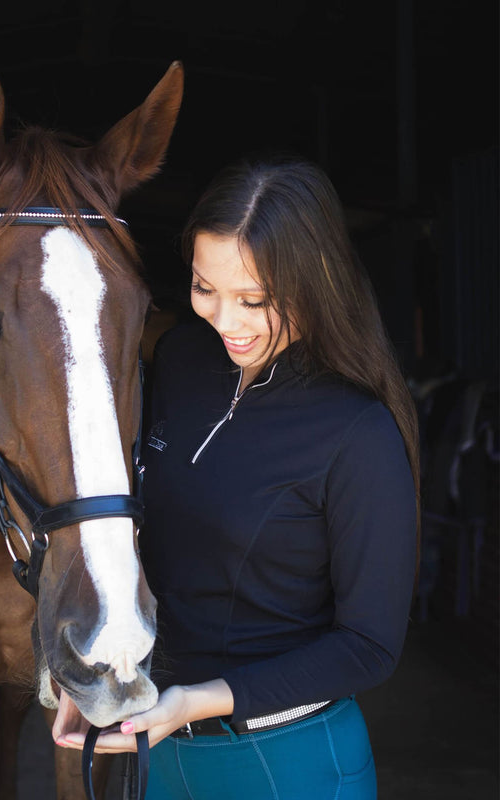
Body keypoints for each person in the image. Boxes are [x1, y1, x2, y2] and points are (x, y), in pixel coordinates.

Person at [58, 155, 419, 799]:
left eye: (255, 300)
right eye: (204, 289)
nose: (226, 322)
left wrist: (198, 700)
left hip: (286, 762)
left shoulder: (359, 432)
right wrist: (96, 673)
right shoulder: (180, 360)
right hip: (158, 748)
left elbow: (369, 645)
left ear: (318, 282)